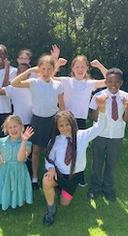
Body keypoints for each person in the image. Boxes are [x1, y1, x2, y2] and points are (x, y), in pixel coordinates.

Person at [42, 94, 108, 226]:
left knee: (64, 203)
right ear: (57, 127)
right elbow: (49, 158)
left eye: (67, 124)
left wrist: (102, 108)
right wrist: (50, 168)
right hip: (59, 174)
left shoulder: (83, 136)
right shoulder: (55, 141)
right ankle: (51, 210)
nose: (65, 128)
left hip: (73, 177)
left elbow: (100, 126)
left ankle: (61, 190)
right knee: (46, 180)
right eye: (61, 126)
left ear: (73, 123)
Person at [53, 46, 108, 187]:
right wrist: (57, 63)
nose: (80, 69)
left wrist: (100, 65)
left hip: (80, 121)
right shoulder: (66, 81)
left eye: (83, 66)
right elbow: (49, 77)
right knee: (63, 146)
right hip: (65, 119)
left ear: (87, 69)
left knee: (80, 148)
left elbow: (109, 80)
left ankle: (79, 175)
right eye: (77, 66)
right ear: (72, 69)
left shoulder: (89, 84)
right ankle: (60, 173)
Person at [11, 54, 65, 190]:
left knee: (51, 150)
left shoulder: (58, 85)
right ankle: (34, 177)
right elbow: (14, 83)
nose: (46, 73)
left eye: (49, 69)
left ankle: (52, 176)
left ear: (53, 70)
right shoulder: (34, 83)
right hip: (37, 120)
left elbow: (62, 106)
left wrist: (64, 120)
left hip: (52, 121)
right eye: (43, 69)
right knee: (35, 149)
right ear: (39, 69)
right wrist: (29, 71)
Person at [88, 68, 128, 202]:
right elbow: (95, 118)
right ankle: (94, 188)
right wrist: (99, 105)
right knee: (97, 162)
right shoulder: (98, 95)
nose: (113, 84)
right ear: (106, 82)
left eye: (116, 82)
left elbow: (127, 119)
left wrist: (126, 107)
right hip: (100, 134)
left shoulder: (127, 97)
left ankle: (108, 188)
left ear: (121, 82)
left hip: (117, 135)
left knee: (111, 163)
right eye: (109, 81)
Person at [0, 115, 34, 210]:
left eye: (15, 126)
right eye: (10, 127)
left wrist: (24, 141)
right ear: (7, 129)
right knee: (6, 186)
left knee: (18, 187)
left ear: (21, 126)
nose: (13, 130)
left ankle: (18, 200)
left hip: (19, 170)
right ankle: (6, 200)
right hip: (5, 170)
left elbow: (21, 159)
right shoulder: (1, 142)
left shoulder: (27, 143)